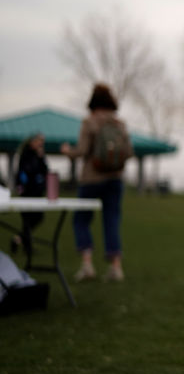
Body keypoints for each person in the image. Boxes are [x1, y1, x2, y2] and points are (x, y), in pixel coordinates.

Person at [61, 83, 132, 283]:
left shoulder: (89, 122)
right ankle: (116, 267)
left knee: (81, 219)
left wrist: (67, 152)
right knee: (112, 220)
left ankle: (87, 264)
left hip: (91, 179)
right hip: (115, 179)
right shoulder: (120, 124)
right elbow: (129, 151)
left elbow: (82, 151)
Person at [13, 133, 49, 252]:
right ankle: (27, 248)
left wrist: (41, 158)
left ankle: (18, 239)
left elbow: (45, 171)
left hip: (37, 192)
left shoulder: (39, 156)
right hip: (27, 192)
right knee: (27, 220)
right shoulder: (26, 154)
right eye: (38, 141)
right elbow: (26, 172)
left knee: (38, 217)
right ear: (32, 142)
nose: (40, 144)